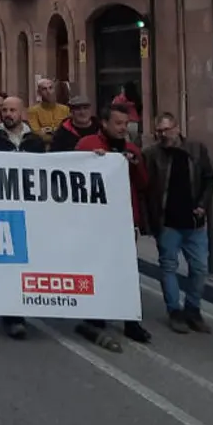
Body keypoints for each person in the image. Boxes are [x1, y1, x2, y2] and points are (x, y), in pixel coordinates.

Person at [74, 103, 152, 351]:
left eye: (125, 124)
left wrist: (135, 163)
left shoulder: (131, 150)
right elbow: (73, 175)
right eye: (118, 123)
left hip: (124, 222)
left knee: (125, 271)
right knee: (97, 268)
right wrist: (91, 161)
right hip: (95, 222)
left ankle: (130, 320)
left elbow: (143, 184)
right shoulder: (87, 145)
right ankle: (96, 314)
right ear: (104, 124)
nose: (122, 128)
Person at [0, 95, 44, 339]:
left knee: (26, 262)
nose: (7, 114)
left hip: (28, 209)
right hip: (2, 209)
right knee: (9, 263)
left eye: (12, 110)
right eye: (4, 110)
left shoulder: (35, 142)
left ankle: (23, 306)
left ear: (21, 113)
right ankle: (12, 315)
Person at [144, 112, 213, 334]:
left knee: (199, 268)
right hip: (168, 222)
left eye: (167, 130)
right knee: (168, 266)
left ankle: (193, 309)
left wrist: (203, 205)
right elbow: (144, 186)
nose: (164, 135)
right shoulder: (152, 154)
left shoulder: (195, 150)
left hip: (194, 222)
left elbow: (208, 178)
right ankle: (174, 311)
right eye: (160, 131)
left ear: (177, 128)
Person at [27, 78, 69, 148]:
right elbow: (36, 133)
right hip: (43, 147)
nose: (48, 92)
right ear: (39, 92)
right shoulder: (33, 111)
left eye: (50, 88)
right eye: (44, 89)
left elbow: (67, 132)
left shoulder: (65, 109)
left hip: (63, 147)